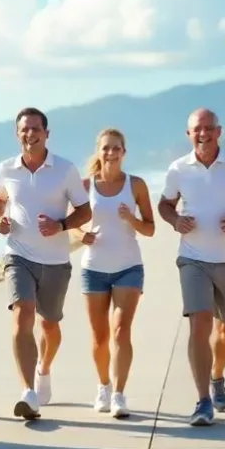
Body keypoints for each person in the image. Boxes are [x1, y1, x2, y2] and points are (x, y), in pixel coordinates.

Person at [158, 108, 225, 426]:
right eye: (197, 129)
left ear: (218, 131)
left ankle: (217, 374)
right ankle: (202, 401)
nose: (203, 133)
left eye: (208, 128)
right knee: (199, 324)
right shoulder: (178, 169)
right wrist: (175, 219)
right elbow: (164, 204)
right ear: (188, 134)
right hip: (192, 259)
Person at [0, 107, 92, 420]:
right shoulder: (6, 169)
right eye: (24, 129)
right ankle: (28, 393)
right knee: (22, 315)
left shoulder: (64, 169)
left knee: (49, 324)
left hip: (55, 260)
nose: (30, 134)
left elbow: (84, 210)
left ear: (47, 133)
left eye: (36, 129)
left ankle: (43, 369)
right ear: (17, 134)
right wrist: (0, 220)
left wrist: (60, 225)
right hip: (18, 255)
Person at [72, 128, 155, 419]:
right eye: (106, 148)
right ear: (99, 151)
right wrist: (82, 235)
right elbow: (71, 224)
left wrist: (130, 218)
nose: (111, 153)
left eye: (116, 148)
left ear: (124, 151)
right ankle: (103, 386)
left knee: (121, 330)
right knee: (99, 336)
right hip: (93, 268)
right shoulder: (84, 186)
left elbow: (150, 228)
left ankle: (119, 394)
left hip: (128, 267)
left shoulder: (137, 186)